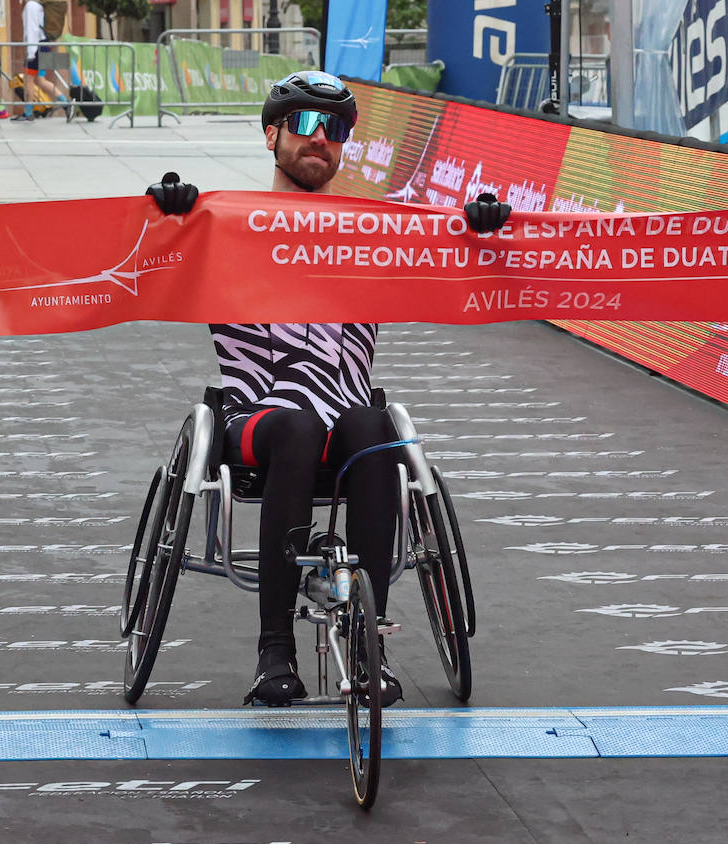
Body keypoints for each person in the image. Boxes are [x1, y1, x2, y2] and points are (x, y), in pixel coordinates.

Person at [144, 70, 511, 707]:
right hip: (260, 413)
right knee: (298, 425)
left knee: (375, 427)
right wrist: (169, 213)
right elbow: (149, 259)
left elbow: (451, 257)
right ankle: (274, 652)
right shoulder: (224, 226)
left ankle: (368, 644)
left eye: (336, 128)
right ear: (271, 136)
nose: (322, 139)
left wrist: (481, 226)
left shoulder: (373, 233)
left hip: (347, 414)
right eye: (306, 124)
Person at [16, 0, 67, 121]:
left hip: (36, 47)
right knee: (40, 80)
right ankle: (66, 103)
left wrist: (30, 52)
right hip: (45, 44)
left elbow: (32, 30)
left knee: (28, 79)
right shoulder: (40, 5)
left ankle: (28, 113)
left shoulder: (31, 6)